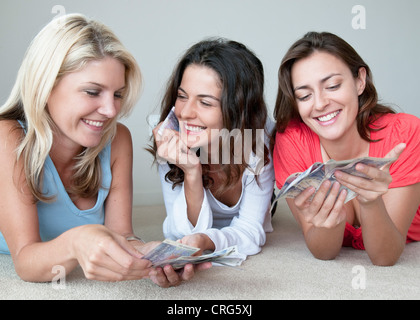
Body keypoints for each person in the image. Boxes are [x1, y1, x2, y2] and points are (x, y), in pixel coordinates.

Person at [0, 13, 210, 286]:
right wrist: (77, 241)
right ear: (46, 85)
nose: (111, 110)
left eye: (118, 94)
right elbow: (26, 262)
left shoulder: (117, 138)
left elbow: (122, 235)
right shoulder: (9, 137)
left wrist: (151, 256)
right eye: (91, 92)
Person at [272, 31, 420, 266]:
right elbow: (324, 252)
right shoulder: (292, 140)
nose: (320, 104)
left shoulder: (405, 133)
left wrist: (371, 202)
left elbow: (385, 256)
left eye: (332, 86)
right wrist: (332, 219)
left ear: (360, 81)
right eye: (304, 95)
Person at [149, 38, 275, 257]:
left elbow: (251, 231)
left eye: (205, 102)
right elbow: (178, 234)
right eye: (182, 96)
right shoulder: (170, 137)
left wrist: (208, 240)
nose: (185, 113)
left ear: (237, 110)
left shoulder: (259, 143)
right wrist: (191, 171)